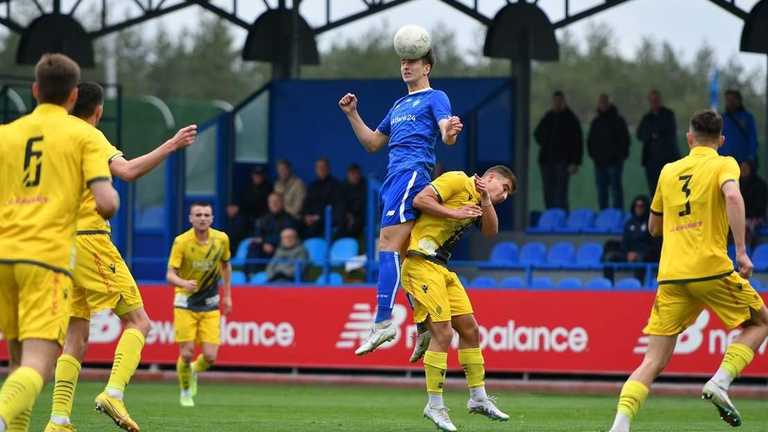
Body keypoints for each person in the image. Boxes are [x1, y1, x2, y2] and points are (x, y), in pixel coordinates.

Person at [41, 82, 197, 432]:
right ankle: (113, 392)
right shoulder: (90, 136)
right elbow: (127, 172)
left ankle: (58, 420)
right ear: (97, 111)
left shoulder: (51, 136)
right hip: (89, 240)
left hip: (57, 245)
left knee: (76, 335)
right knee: (139, 322)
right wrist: (172, 144)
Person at [608, 110, 768, 432]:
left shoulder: (668, 171)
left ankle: (620, 426)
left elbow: (654, 227)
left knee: (652, 361)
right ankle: (720, 381)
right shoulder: (725, 163)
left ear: (689, 137)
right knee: (761, 321)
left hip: (671, 275)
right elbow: (733, 196)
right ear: (721, 140)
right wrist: (740, 251)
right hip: (710, 269)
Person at [0, 54, 119, 432]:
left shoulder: (6, 134)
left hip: (4, 257)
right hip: (46, 259)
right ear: (72, 96)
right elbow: (106, 202)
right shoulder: (83, 135)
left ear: (35, 90)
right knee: (38, 363)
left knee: (17, 365)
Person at [339, 47, 463, 356]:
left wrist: (450, 132)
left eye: (413, 62)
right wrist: (352, 115)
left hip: (411, 175)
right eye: (403, 61)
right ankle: (423, 324)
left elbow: (446, 131)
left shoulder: (436, 97)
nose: (406, 66)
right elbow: (372, 143)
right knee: (408, 255)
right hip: (393, 178)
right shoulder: (398, 105)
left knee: (387, 245)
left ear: (427, 68)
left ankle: (383, 322)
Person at [401, 166, 516, 431]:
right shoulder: (457, 180)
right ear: (490, 178)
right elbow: (420, 199)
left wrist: (487, 199)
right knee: (443, 334)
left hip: (441, 267)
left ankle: (478, 398)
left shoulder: (478, 199)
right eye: (505, 188)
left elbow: (490, 232)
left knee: (470, 330)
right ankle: (435, 405)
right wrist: (455, 212)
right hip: (420, 261)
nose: (505, 196)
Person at [166, 202, 233, 408]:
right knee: (186, 353)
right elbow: (170, 275)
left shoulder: (221, 239)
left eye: (206, 214)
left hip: (210, 302)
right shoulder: (181, 242)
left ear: (212, 219)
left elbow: (225, 265)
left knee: (211, 357)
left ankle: (194, 370)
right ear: (191, 218)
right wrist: (183, 283)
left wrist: (227, 295)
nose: (202, 218)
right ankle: (186, 391)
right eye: (198, 214)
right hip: (185, 301)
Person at [534, 90, 583, 210]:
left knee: (561, 192)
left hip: (563, 161)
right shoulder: (548, 117)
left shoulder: (570, 119)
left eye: (559, 101)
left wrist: (575, 162)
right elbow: (537, 134)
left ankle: (561, 217)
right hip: (546, 160)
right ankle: (550, 216)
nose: (557, 103)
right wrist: (547, 141)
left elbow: (578, 142)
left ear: (563, 101)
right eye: (555, 101)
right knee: (548, 191)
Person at [587, 93, 630, 209]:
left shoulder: (618, 120)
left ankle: (617, 215)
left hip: (615, 163)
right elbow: (590, 141)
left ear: (609, 103)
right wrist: (594, 156)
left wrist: (620, 157)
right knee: (602, 192)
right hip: (599, 163)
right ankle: (604, 217)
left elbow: (625, 140)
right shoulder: (596, 122)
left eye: (605, 102)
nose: (603, 105)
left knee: (616, 191)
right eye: (601, 102)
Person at [637, 90, 680, 194]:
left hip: (667, 159)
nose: (654, 102)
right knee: (654, 190)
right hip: (651, 161)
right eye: (652, 100)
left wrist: (656, 134)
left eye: (656, 100)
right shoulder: (647, 118)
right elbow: (640, 134)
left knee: (669, 189)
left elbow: (670, 132)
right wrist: (652, 135)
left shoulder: (668, 115)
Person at [246, 193, 299, 274]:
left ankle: (270, 273)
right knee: (253, 245)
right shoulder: (264, 219)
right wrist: (265, 243)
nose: (274, 204)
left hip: (280, 248)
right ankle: (250, 275)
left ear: (282, 203)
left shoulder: (289, 219)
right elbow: (258, 235)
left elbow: (287, 237)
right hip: (264, 247)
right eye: (271, 202)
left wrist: (269, 243)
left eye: (276, 201)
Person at [227, 166, 273, 254]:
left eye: (260, 175)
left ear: (263, 176)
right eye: (256, 175)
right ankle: (230, 254)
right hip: (246, 217)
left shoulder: (269, 188)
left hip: (262, 217)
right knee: (234, 229)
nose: (257, 177)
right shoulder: (247, 187)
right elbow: (241, 203)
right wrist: (235, 208)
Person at [301, 158, 345, 238]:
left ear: (328, 169)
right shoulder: (312, 186)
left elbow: (338, 208)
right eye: (318, 167)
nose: (321, 170)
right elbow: (306, 203)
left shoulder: (336, 185)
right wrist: (306, 216)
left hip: (329, 222)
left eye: (323, 167)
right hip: (312, 222)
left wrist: (319, 218)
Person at [720, 89, 759, 164]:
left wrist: (750, 158)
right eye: (728, 100)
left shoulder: (747, 117)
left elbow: (753, 139)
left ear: (739, 100)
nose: (730, 102)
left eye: (733, 99)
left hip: (743, 161)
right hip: (725, 161)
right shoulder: (722, 118)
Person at [739, 160, 767, 248]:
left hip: (755, 218)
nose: (743, 170)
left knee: (745, 227)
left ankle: (746, 251)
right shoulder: (736, 183)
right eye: (741, 168)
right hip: (739, 216)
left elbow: (759, 208)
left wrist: (745, 217)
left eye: (745, 168)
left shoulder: (759, 185)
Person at [340, 164, 367, 239]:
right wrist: (347, 215)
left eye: (357, 173)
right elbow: (340, 206)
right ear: (348, 175)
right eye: (352, 174)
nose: (355, 176)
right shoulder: (343, 187)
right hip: (345, 221)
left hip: (361, 221)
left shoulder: (365, 186)